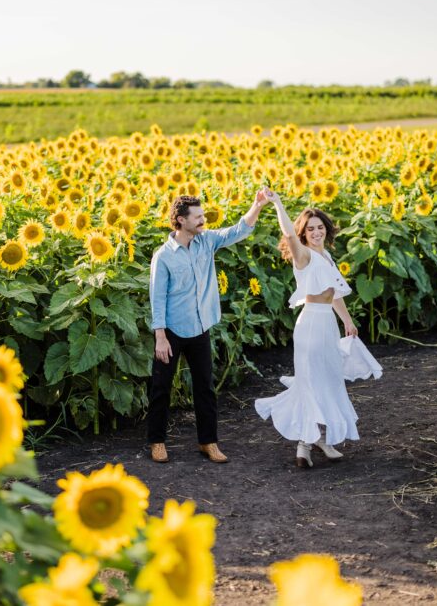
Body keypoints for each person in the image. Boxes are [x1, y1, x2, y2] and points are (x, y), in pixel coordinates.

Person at [255, 191, 382, 468]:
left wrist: (347, 320)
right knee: (311, 381)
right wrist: (277, 204)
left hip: (327, 323)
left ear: (326, 229)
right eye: (310, 228)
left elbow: (334, 293)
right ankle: (305, 444)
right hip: (311, 323)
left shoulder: (326, 257)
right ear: (304, 233)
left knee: (329, 379)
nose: (316, 232)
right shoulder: (304, 256)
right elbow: (288, 235)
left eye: (320, 227)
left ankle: (319, 438)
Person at [148, 189, 271, 463]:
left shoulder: (206, 242)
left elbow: (238, 231)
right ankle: (157, 442)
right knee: (161, 388)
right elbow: (156, 297)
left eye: (203, 216)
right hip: (171, 331)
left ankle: (208, 442)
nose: (204, 221)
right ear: (180, 220)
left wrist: (257, 205)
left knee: (205, 387)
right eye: (198, 217)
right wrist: (160, 336)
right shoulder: (164, 256)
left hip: (200, 326)